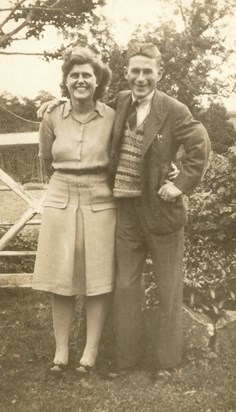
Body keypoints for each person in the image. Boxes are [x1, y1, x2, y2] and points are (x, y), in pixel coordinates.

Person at [37, 42, 210, 377]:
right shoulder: (120, 102)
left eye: (148, 71)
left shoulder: (172, 108)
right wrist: (57, 101)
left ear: (159, 73)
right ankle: (126, 360)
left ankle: (166, 362)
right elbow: (80, 99)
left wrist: (180, 183)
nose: (141, 78)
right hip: (127, 211)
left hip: (162, 211)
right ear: (127, 73)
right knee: (125, 286)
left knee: (168, 287)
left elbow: (199, 141)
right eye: (136, 71)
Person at [32, 47, 117, 374]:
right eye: (74, 75)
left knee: (97, 276)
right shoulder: (52, 115)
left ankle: (90, 352)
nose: (80, 81)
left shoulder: (111, 116)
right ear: (66, 81)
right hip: (61, 196)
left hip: (99, 197)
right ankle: (61, 352)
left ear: (98, 82)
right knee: (60, 277)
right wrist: (65, 183)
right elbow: (45, 159)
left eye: (87, 75)